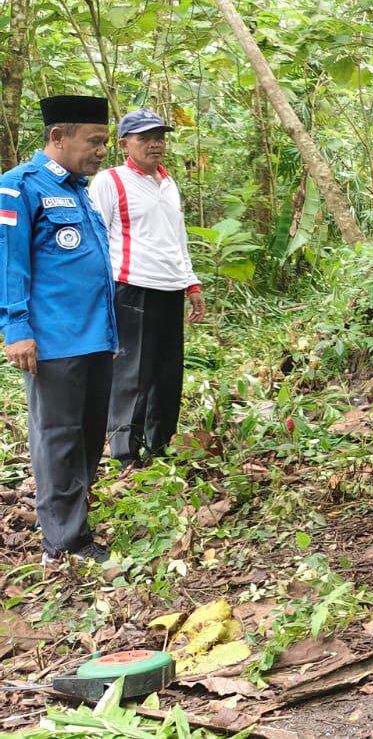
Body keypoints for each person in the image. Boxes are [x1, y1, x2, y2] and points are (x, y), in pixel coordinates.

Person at [1, 95, 117, 565]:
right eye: (94, 141)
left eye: (105, 142)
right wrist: (15, 327)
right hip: (54, 341)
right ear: (57, 137)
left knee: (87, 436)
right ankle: (64, 544)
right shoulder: (19, 187)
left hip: (96, 337)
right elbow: (9, 262)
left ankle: (74, 520)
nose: (102, 151)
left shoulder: (79, 191)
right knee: (58, 438)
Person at [88, 110, 205, 469]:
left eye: (159, 137)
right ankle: (125, 456)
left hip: (170, 287)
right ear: (124, 144)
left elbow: (177, 238)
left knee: (167, 375)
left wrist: (191, 283)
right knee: (133, 375)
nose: (155, 144)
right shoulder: (110, 181)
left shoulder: (168, 183)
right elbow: (96, 238)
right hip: (131, 287)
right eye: (145, 138)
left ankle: (160, 447)